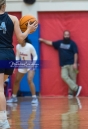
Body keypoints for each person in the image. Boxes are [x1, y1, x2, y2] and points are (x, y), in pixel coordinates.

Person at [0, 0, 37, 128]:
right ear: (4, 5)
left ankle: (3, 120)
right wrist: (28, 29)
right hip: (9, 55)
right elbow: (21, 39)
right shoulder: (14, 18)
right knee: (1, 87)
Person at [39, 30, 82, 97]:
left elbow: (76, 53)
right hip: (64, 65)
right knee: (63, 76)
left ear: (69, 35)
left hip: (72, 64)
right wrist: (42, 40)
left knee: (73, 78)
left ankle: (70, 94)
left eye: (68, 34)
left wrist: (75, 63)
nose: (66, 36)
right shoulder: (59, 43)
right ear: (63, 35)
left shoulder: (73, 43)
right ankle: (76, 88)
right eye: (65, 34)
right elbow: (51, 43)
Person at [6, 37, 38, 104]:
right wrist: (15, 66)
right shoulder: (18, 46)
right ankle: (14, 97)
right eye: (17, 39)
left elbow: (35, 56)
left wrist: (33, 64)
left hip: (30, 64)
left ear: (24, 39)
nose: (17, 40)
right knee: (17, 80)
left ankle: (34, 98)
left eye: (19, 39)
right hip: (23, 64)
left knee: (29, 80)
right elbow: (17, 57)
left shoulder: (30, 46)